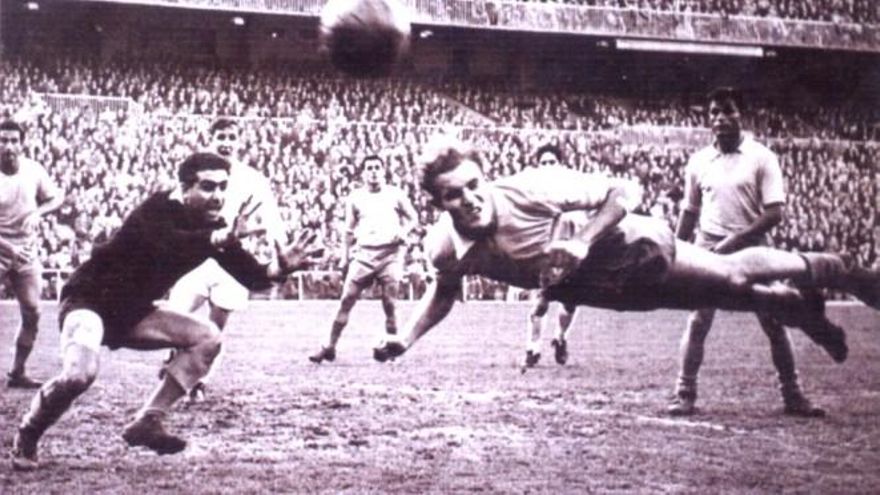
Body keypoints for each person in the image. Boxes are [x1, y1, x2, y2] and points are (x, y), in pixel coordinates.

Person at [372, 136, 879, 370]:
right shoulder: (443, 247)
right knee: (724, 295)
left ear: (485, 177)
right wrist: (406, 340)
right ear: (437, 204)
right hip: (599, 289)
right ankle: (800, 310)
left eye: (473, 184)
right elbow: (443, 292)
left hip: (628, 247)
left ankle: (839, 270)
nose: (469, 198)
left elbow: (624, 190)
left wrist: (581, 240)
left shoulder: (533, 186)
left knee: (731, 277)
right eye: (453, 195)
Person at [11, 152, 320, 471]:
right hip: (89, 301)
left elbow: (252, 276)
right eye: (208, 187)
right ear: (184, 188)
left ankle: (148, 421)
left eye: (222, 187)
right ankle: (28, 434)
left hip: (133, 312)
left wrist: (279, 268)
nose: (217, 196)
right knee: (79, 375)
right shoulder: (156, 209)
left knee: (208, 338)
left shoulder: (214, 228)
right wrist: (218, 238)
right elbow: (170, 243)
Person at [667, 87, 823, 417]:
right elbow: (690, 211)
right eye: (714, 112)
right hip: (709, 249)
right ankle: (684, 393)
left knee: (774, 321)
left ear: (742, 115)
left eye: (728, 111)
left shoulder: (762, 157)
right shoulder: (698, 161)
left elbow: (774, 213)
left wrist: (735, 241)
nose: (720, 118)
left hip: (754, 250)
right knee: (699, 320)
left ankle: (793, 395)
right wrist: (674, 250)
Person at [164, 118, 286, 400]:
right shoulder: (195, 172)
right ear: (211, 139)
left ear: (239, 141)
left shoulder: (252, 179)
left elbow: (272, 218)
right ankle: (175, 355)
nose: (226, 143)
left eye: (232, 137)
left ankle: (199, 382)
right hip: (197, 256)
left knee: (215, 329)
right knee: (176, 315)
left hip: (231, 262)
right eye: (221, 136)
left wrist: (280, 251)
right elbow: (174, 207)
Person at [309, 154, 419, 363]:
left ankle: (392, 352)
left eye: (377, 167)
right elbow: (348, 230)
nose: (374, 171)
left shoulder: (395, 194)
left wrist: (404, 231)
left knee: (390, 304)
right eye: (369, 168)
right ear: (363, 173)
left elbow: (413, 217)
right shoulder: (355, 197)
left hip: (390, 255)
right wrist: (344, 257)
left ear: (383, 171)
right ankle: (328, 347)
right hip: (364, 254)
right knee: (346, 300)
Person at [0, 119, 63, 389]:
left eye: (14, 141)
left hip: (26, 251)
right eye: (3, 140)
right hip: (3, 249)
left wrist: (39, 212)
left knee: (33, 311)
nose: (8, 146)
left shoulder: (33, 170)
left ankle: (17, 372)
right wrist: (10, 249)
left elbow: (56, 197)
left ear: (22, 144)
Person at [524, 144, 577, 368]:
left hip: (569, 248)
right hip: (543, 251)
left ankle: (560, 338)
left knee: (570, 302)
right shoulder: (532, 191)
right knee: (541, 301)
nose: (547, 166)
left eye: (551, 162)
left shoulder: (573, 188)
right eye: (543, 163)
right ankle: (533, 348)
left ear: (560, 164)